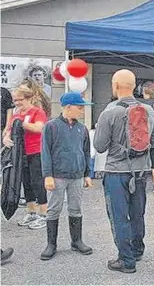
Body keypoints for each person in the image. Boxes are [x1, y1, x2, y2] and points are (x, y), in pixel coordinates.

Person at [93, 69, 154, 273]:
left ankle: (126, 259)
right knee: (137, 213)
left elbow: (100, 146)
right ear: (133, 86)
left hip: (116, 172)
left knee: (119, 215)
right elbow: (153, 141)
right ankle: (137, 250)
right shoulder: (149, 111)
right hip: (140, 172)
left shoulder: (110, 112)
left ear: (115, 86)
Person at [40, 92, 93, 260]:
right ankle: (51, 244)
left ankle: (76, 241)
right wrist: (48, 175)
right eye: (80, 107)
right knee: (54, 209)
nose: (82, 110)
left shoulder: (82, 128)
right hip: (58, 176)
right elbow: (45, 152)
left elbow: (85, 152)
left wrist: (87, 174)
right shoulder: (51, 126)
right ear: (68, 107)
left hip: (77, 175)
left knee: (76, 208)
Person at [2, 87, 49, 229]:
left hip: (36, 152)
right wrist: (6, 138)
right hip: (21, 154)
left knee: (38, 183)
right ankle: (32, 212)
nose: (16, 103)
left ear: (28, 98)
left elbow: (39, 128)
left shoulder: (37, 112)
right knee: (26, 183)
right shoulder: (16, 115)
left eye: (19, 100)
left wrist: (22, 124)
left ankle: (44, 214)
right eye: (15, 100)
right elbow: (8, 131)